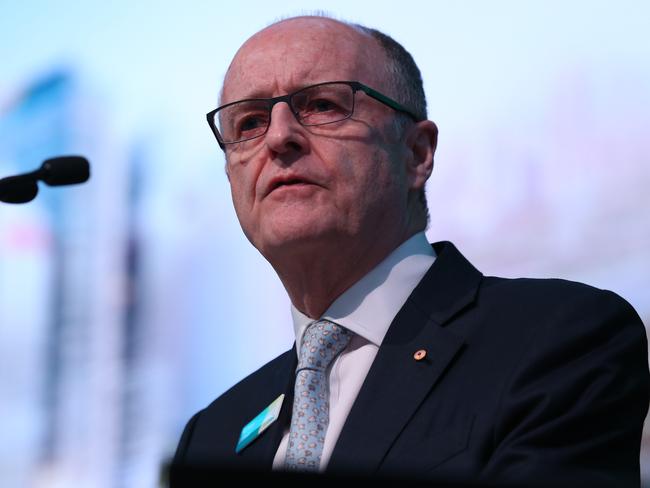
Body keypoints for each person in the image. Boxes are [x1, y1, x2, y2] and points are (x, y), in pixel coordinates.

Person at [172, 15, 649, 486]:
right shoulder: (211, 434)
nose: (278, 137)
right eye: (250, 121)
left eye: (321, 105)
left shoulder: (557, 339)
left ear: (417, 153)